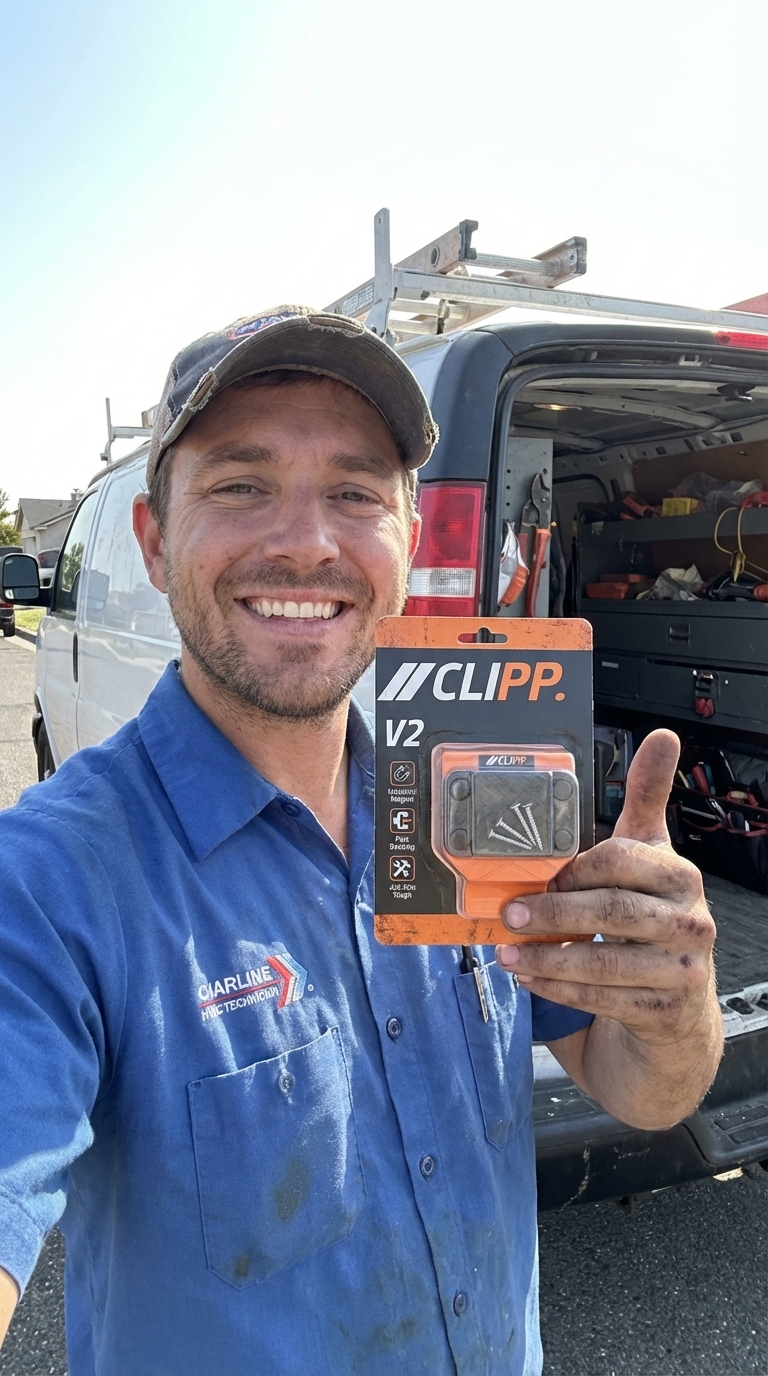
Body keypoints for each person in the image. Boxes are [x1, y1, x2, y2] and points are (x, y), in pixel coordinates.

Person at [0, 307, 722, 1376]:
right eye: (240, 485)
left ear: (409, 542)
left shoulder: (482, 808)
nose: (307, 542)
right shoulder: (47, 883)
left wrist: (673, 1008)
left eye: (354, 492)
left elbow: (641, 1091)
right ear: (154, 541)